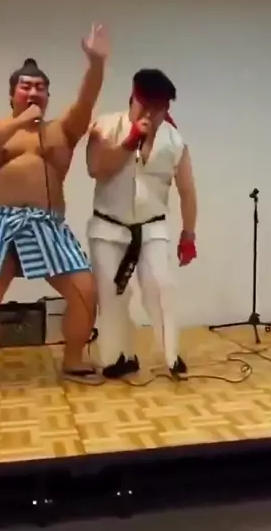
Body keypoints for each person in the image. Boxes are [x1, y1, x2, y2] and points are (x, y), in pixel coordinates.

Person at [0, 23, 110, 389]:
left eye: (40, 87)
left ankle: (73, 360)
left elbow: (86, 101)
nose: (33, 92)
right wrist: (19, 122)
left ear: (48, 95)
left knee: (84, 291)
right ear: (12, 93)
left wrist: (96, 63)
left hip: (47, 223)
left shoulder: (61, 131)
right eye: (25, 86)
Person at [86, 68, 197, 380]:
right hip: (109, 226)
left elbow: (187, 190)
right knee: (112, 295)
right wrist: (129, 141)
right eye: (146, 105)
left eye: (159, 108)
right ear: (132, 98)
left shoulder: (175, 140)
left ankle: (171, 355)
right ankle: (119, 356)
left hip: (152, 226)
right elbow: (95, 168)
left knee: (161, 287)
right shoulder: (105, 127)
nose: (151, 113)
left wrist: (189, 233)